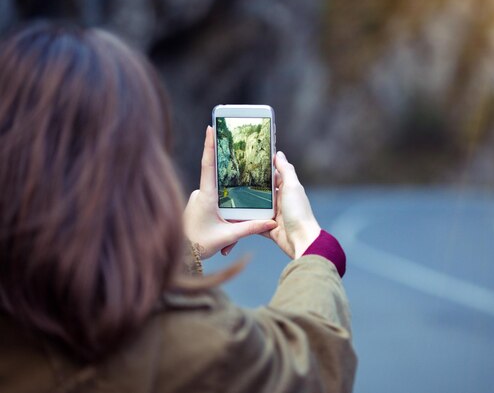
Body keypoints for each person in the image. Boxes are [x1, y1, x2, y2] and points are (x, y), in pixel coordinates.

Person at [0, 22, 356, 393]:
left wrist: (184, 250)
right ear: (140, 169)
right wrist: (314, 249)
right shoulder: (188, 343)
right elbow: (306, 367)